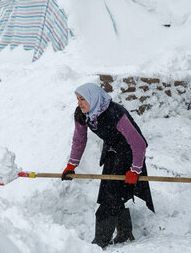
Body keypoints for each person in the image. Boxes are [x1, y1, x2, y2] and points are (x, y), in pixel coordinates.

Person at [62, 83, 154, 248]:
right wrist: (72, 164)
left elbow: (139, 144)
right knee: (110, 193)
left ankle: (100, 242)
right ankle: (125, 233)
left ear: (93, 98)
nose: (79, 103)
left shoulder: (115, 113)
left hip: (130, 154)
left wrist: (135, 169)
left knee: (111, 197)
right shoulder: (82, 114)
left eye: (83, 99)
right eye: (77, 99)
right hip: (112, 151)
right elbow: (79, 140)